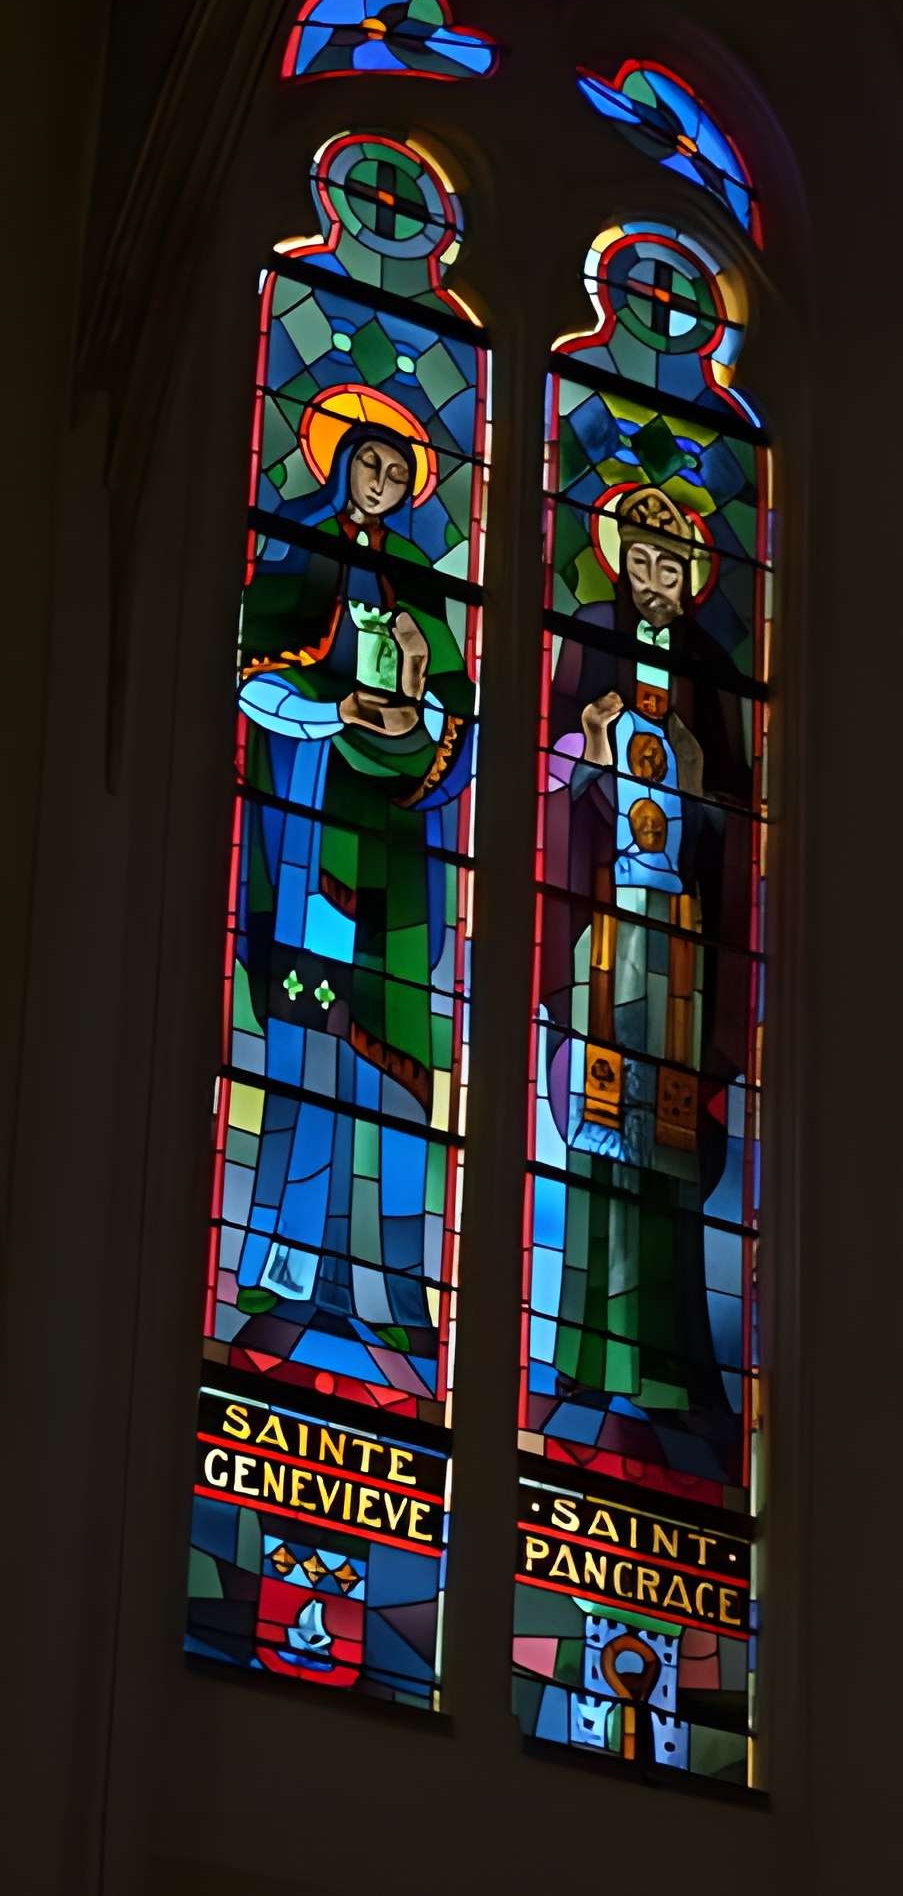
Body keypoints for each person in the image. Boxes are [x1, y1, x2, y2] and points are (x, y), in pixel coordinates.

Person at [227, 385, 473, 1384]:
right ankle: (288, 1266)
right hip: (309, 837)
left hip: (398, 862)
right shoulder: (299, 549)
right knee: (307, 1051)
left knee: (391, 1066)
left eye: (398, 472)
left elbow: (459, 721)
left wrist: (416, 712)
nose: (382, 482)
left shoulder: (417, 577)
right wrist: (338, 718)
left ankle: (383, 1283)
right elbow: (251, 674)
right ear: (340, 466)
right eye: (369, 464)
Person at [532, 481, 752, 1449]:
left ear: (691, 579)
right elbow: (551, 774)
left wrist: (700, 784)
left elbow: (737, 822)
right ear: (621, 563)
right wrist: (588, 746)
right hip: (609, 932)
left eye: (675, 566)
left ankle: (667, 1361)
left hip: (682, 939)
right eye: (644, 561)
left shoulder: (710, 670)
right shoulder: (587, 641)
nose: (657, 580)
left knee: (666, 1145)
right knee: (599, 1139)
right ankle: (589, 1350)